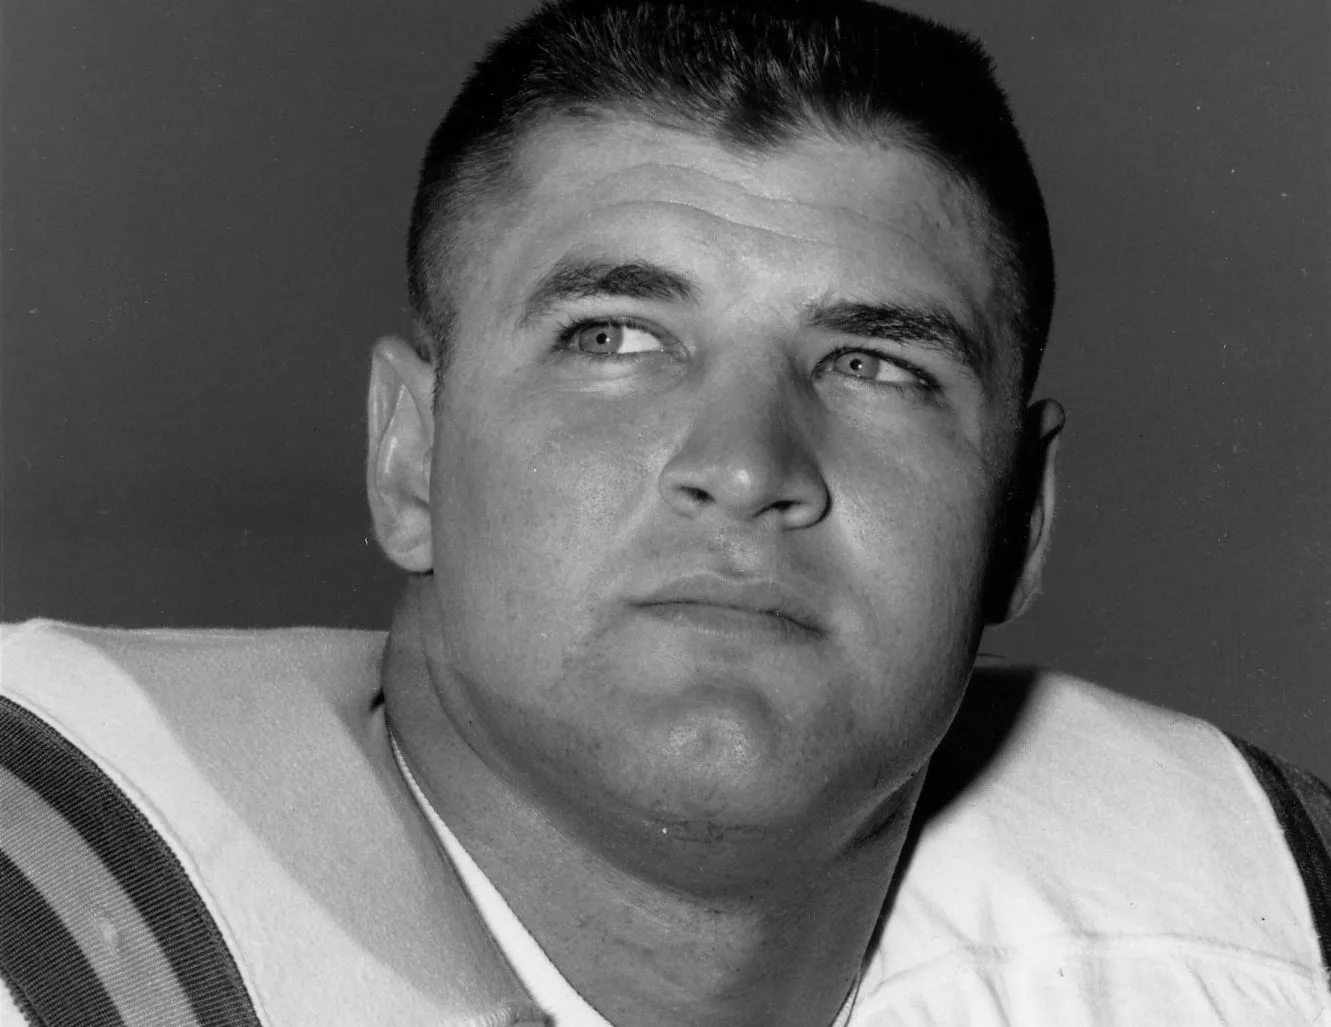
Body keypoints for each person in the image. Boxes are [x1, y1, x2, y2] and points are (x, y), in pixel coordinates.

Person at [2, 0, 1327, 1023]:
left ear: (1020, 518)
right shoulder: (51, 933)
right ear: (409, 457)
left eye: (876, 366)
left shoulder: (1271, 943)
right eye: (615, 339)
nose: (746, 466)